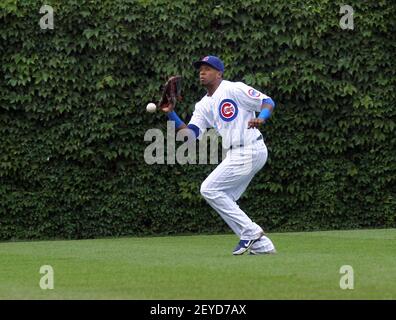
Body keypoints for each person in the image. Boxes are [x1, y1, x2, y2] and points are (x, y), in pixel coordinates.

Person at [161, 55, 276, 255]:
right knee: (224, 197)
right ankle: (263, 246)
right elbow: (190, 136)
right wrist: (170, 113)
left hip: (250, 148)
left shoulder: (233, 88)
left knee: (209, 189)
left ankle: (251, 232)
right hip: (236, 153)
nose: (202, 72)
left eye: (207, 69)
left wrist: (262, 118)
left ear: (219, 73)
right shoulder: (203, 105)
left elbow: (267, 101)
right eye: (200, 70)